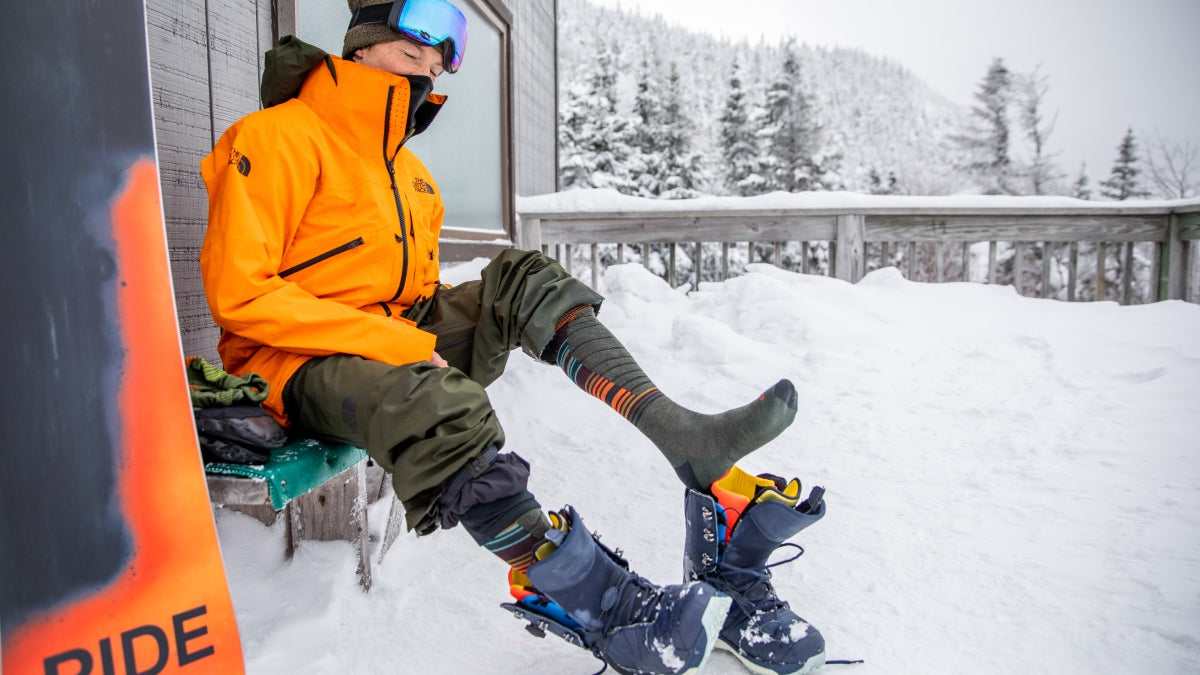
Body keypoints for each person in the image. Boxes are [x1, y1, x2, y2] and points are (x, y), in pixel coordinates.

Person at [199, 1, 826, 672]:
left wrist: (419, 331)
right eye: (414, 50)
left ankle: (684, 436)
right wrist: (399, 345)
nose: (431, 64)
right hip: (295, 362)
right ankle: (592, 601)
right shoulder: (274, 137)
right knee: (438, 405)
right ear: (362, 39)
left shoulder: (412, 179)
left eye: (439, 60)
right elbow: (240, 293)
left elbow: (412, 302)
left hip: (385, 341)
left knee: (523, 277)